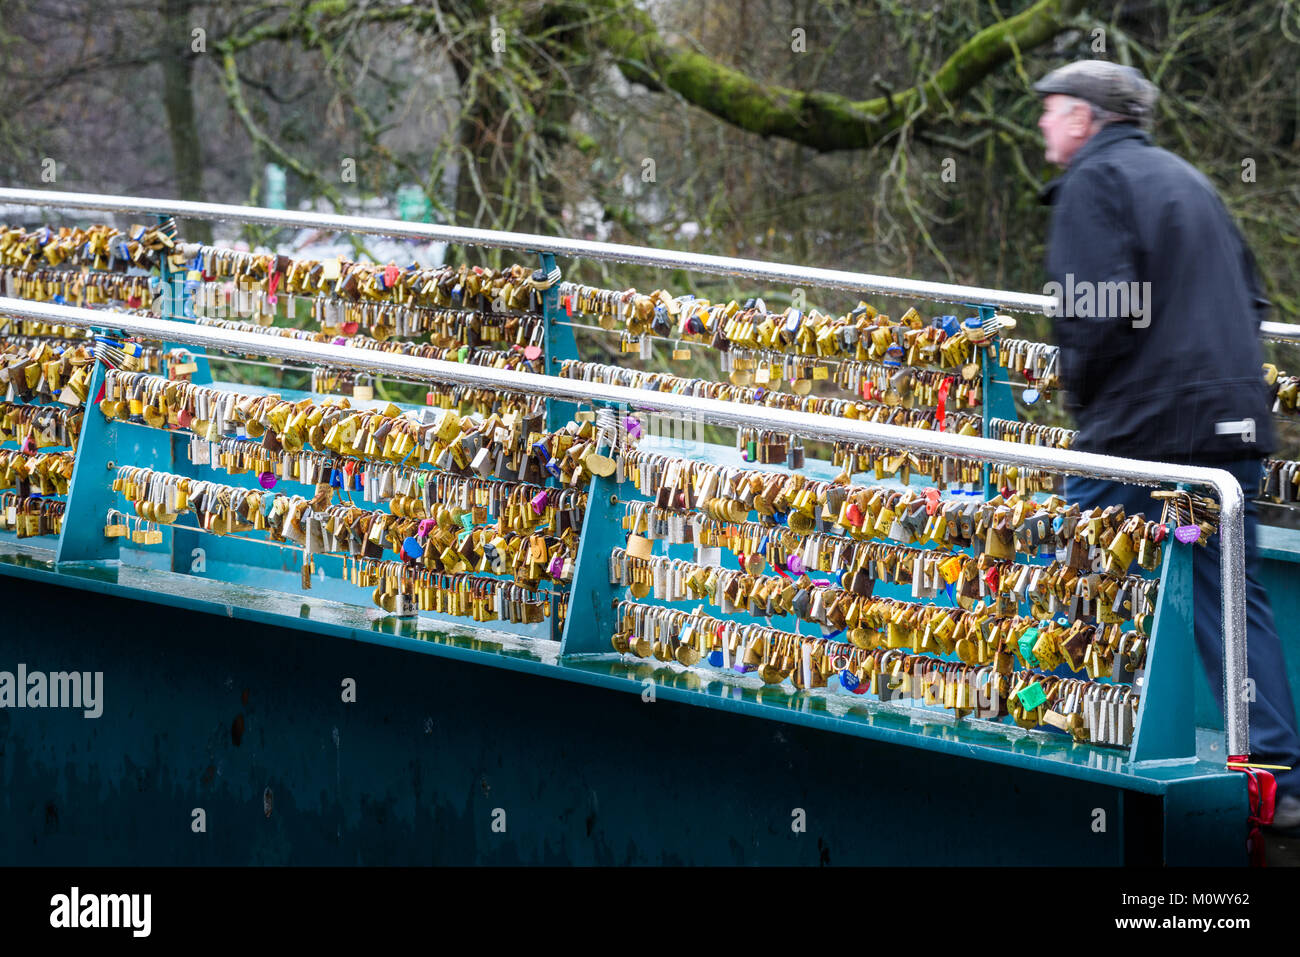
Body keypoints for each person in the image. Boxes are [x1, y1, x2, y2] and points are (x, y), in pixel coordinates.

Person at [1035, 59, 1300, 833]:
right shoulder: (1189, 180)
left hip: (1143, 436)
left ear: (1085, 117)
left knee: (1080, 571)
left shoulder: (1093, 184)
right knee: (1232, 596)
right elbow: (1252, 301)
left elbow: (1094, 311)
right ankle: (1279, 781)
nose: (1044, 124)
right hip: (1230, 427)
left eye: (1052, 110)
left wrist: (1085, 402)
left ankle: (1074, 734)